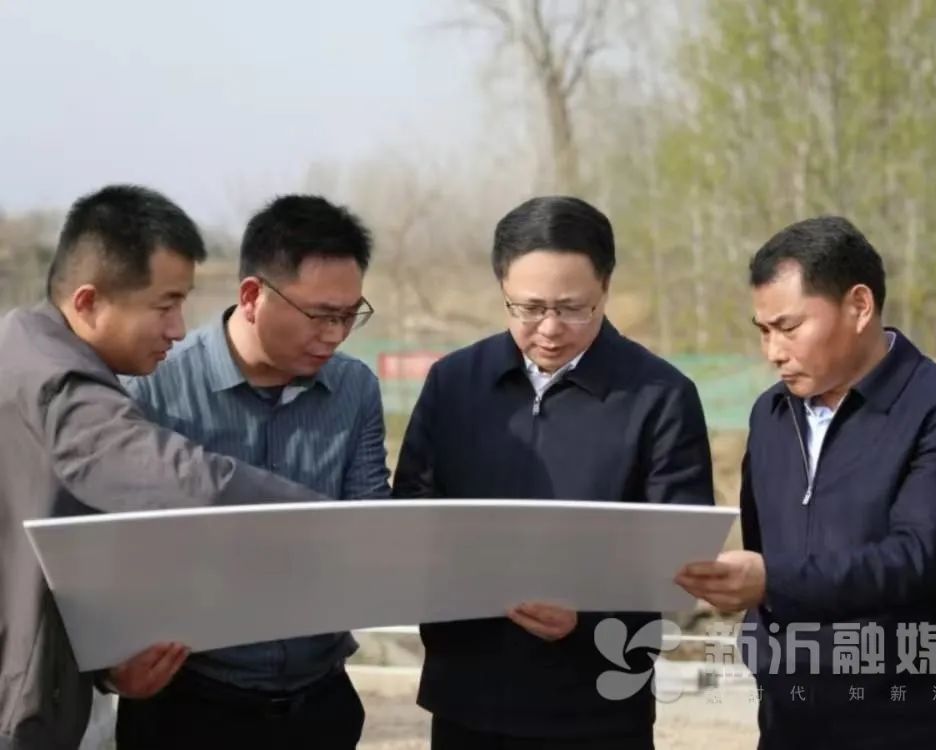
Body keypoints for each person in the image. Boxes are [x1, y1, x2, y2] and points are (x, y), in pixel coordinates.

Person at [0, 185, 333, 750]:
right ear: (88, 302)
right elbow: (186, 483)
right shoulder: (60, 387)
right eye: (164, 305)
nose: (178, 329)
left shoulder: (22, 348)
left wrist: (105, 669)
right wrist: (329, 523)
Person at [393, 195, 715, 749]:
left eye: (572, 308)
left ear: (605, 288)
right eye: (529, 307)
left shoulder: (660, 397)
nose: (549, 328)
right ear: (502, 288)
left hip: (598, 707)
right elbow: (410, 518)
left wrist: (586, 619)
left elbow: (679, 556)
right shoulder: (454, 383)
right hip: (468, 699)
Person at [676, 215, 936, 749]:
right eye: (763, 331)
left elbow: (920, 557)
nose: (774, 351)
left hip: (911, 722)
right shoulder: (771, 415)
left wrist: (772, 581)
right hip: (790, 721)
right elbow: (766, 545)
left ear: (859, 306)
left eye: (789, 328)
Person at [115, 194, 390, 750]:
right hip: (187, 705)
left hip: (320, 703)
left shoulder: (355, 388)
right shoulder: (153, 388)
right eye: (320, 315)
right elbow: (117, 549)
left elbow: (370, 528)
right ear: (251, 297)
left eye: (348, 315)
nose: (335, 334)